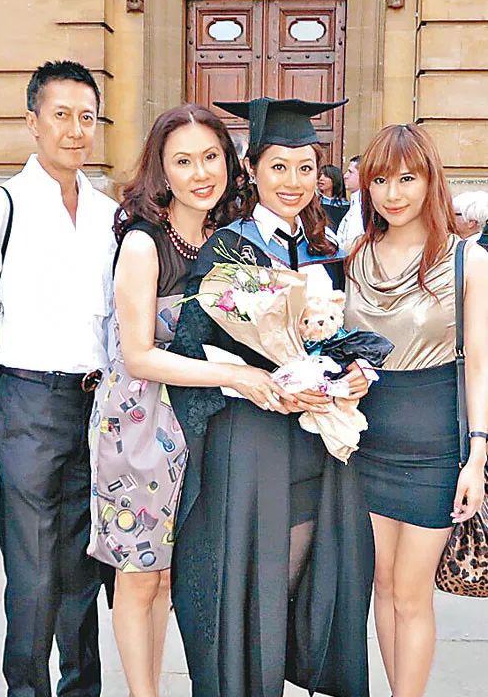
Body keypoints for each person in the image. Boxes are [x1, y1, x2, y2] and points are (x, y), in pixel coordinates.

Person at [168, 97, 375, 697]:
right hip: (251, 443)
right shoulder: (228, 249)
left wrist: (355, 373)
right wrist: (259, 383)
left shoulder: (326, 248)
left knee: (305, 578)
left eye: (306, 167)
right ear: (252, 169)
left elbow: (342, 338)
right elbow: (194, 350)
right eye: (278, 166)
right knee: (255, 586)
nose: (293, 181)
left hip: (315, 444)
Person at [87, 103, 288, 697]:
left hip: (202, 425)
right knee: (139, 577)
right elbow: (137, 355)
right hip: (142, 425)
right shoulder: (144, 244)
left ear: (229, 161)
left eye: (210, 157)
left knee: (173, 576)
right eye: (183, 161)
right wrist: (236, 376)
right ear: (161, 169)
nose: (201, 173)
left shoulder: (228, 241)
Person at [0, 60, 118, 696]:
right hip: (28, 398)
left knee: (84, 561)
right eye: (61, 115)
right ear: (33, 122)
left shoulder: (107, 214)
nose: (76, 130)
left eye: (87, 117)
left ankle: (81, 687)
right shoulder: (0, 207)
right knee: (33, 563)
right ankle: (26, 688)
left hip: (95, 403)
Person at [345, 124, 488, 697]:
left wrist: (477, 456)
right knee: (381, 586)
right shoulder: (355, 259)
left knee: (411, 591)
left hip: (435, 447)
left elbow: (479, 365)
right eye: (380, 180)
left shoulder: (467, 260)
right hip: (365, 442)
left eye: (407, 178)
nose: (393, 193)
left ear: (431, 180)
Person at [337, 154, 364, 253]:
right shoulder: (355, 204)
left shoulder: (365, 207)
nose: (345, 176)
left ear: (363, 175)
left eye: (350, 172)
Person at [317, 163, 349, 232]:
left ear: (335, 179)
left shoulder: (345, 205)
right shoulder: (315, 203)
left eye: (326, 176)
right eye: (320, 175)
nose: (321, 178)